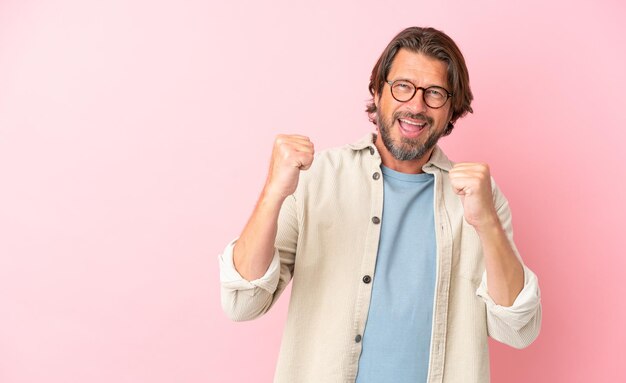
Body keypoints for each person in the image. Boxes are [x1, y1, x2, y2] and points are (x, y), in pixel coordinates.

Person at [218, 26, 541, 383]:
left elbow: (517, 330)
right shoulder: (316, 177)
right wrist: (273, 193)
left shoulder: (482, 197)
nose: (416, 106)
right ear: (378, 91)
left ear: (452, 109)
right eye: (403, 86)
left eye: (434, 93)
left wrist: (488, 224)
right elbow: (242, 303)